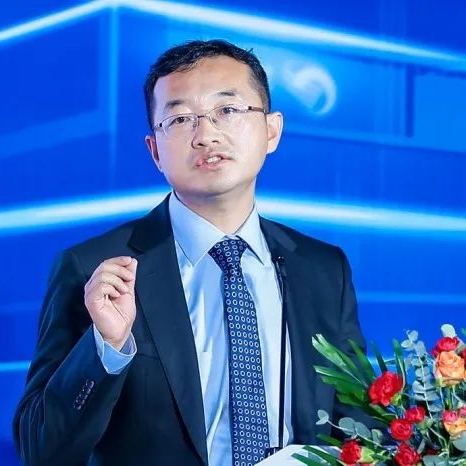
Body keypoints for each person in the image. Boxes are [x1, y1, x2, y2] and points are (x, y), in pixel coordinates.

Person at [13, 40, 365, 466]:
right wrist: (106, 347)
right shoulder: (95, 270)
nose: (206, 135)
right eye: (180, 119)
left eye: (228, 110)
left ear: (271, 131)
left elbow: (357, 427)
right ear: (155, 151)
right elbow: (40, 450)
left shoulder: (324, 269)